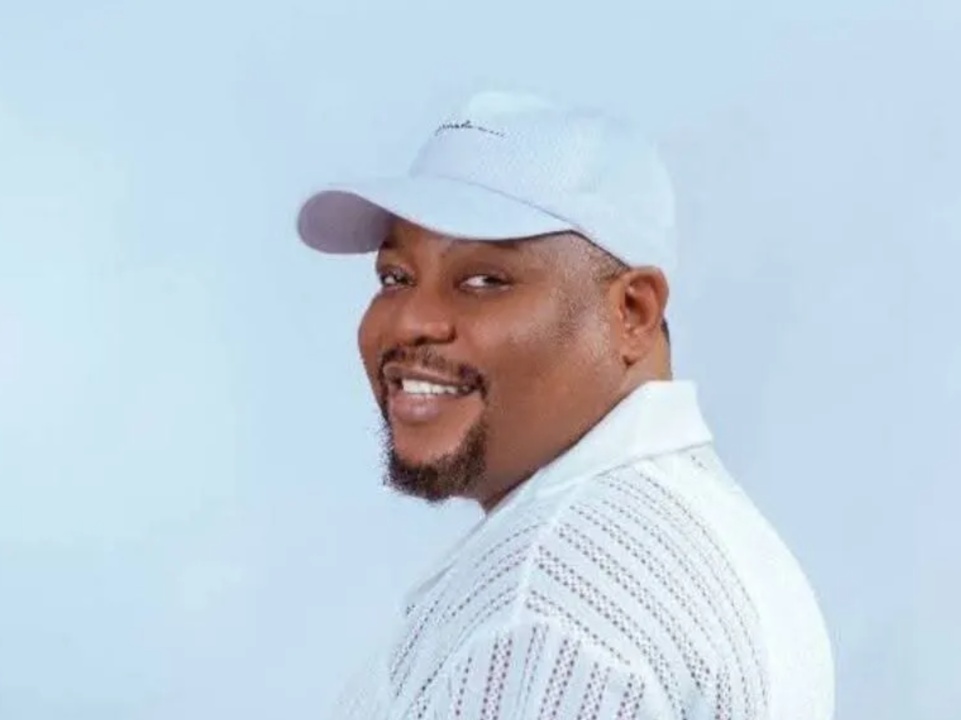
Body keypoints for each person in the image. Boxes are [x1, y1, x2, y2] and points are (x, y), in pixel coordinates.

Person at [296, 91, 834, 719]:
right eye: (395, 278)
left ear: (632, 311)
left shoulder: (551, 602)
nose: (410, 321)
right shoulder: (698, 526)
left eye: (484, 281)